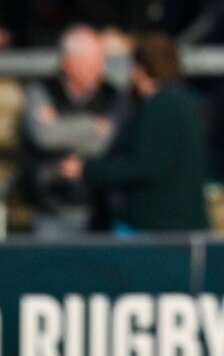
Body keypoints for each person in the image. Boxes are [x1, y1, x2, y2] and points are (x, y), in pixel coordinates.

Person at [59, 32, 209, 233]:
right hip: (174, 224)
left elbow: (145, 164)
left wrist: (87, 170)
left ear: (139, 70)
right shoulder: (179, 103)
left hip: (160, 226)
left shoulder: (160, 107)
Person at [21, 26, 128, 237]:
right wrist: (93, 126)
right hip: (51, 206)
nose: (98, 68)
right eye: (89, 61)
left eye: (100, 60)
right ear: (67, 61)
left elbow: (106, 142)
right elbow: (43, 135)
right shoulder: (41, 91)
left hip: (98, 208)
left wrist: (61, 126)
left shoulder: (112, 95)